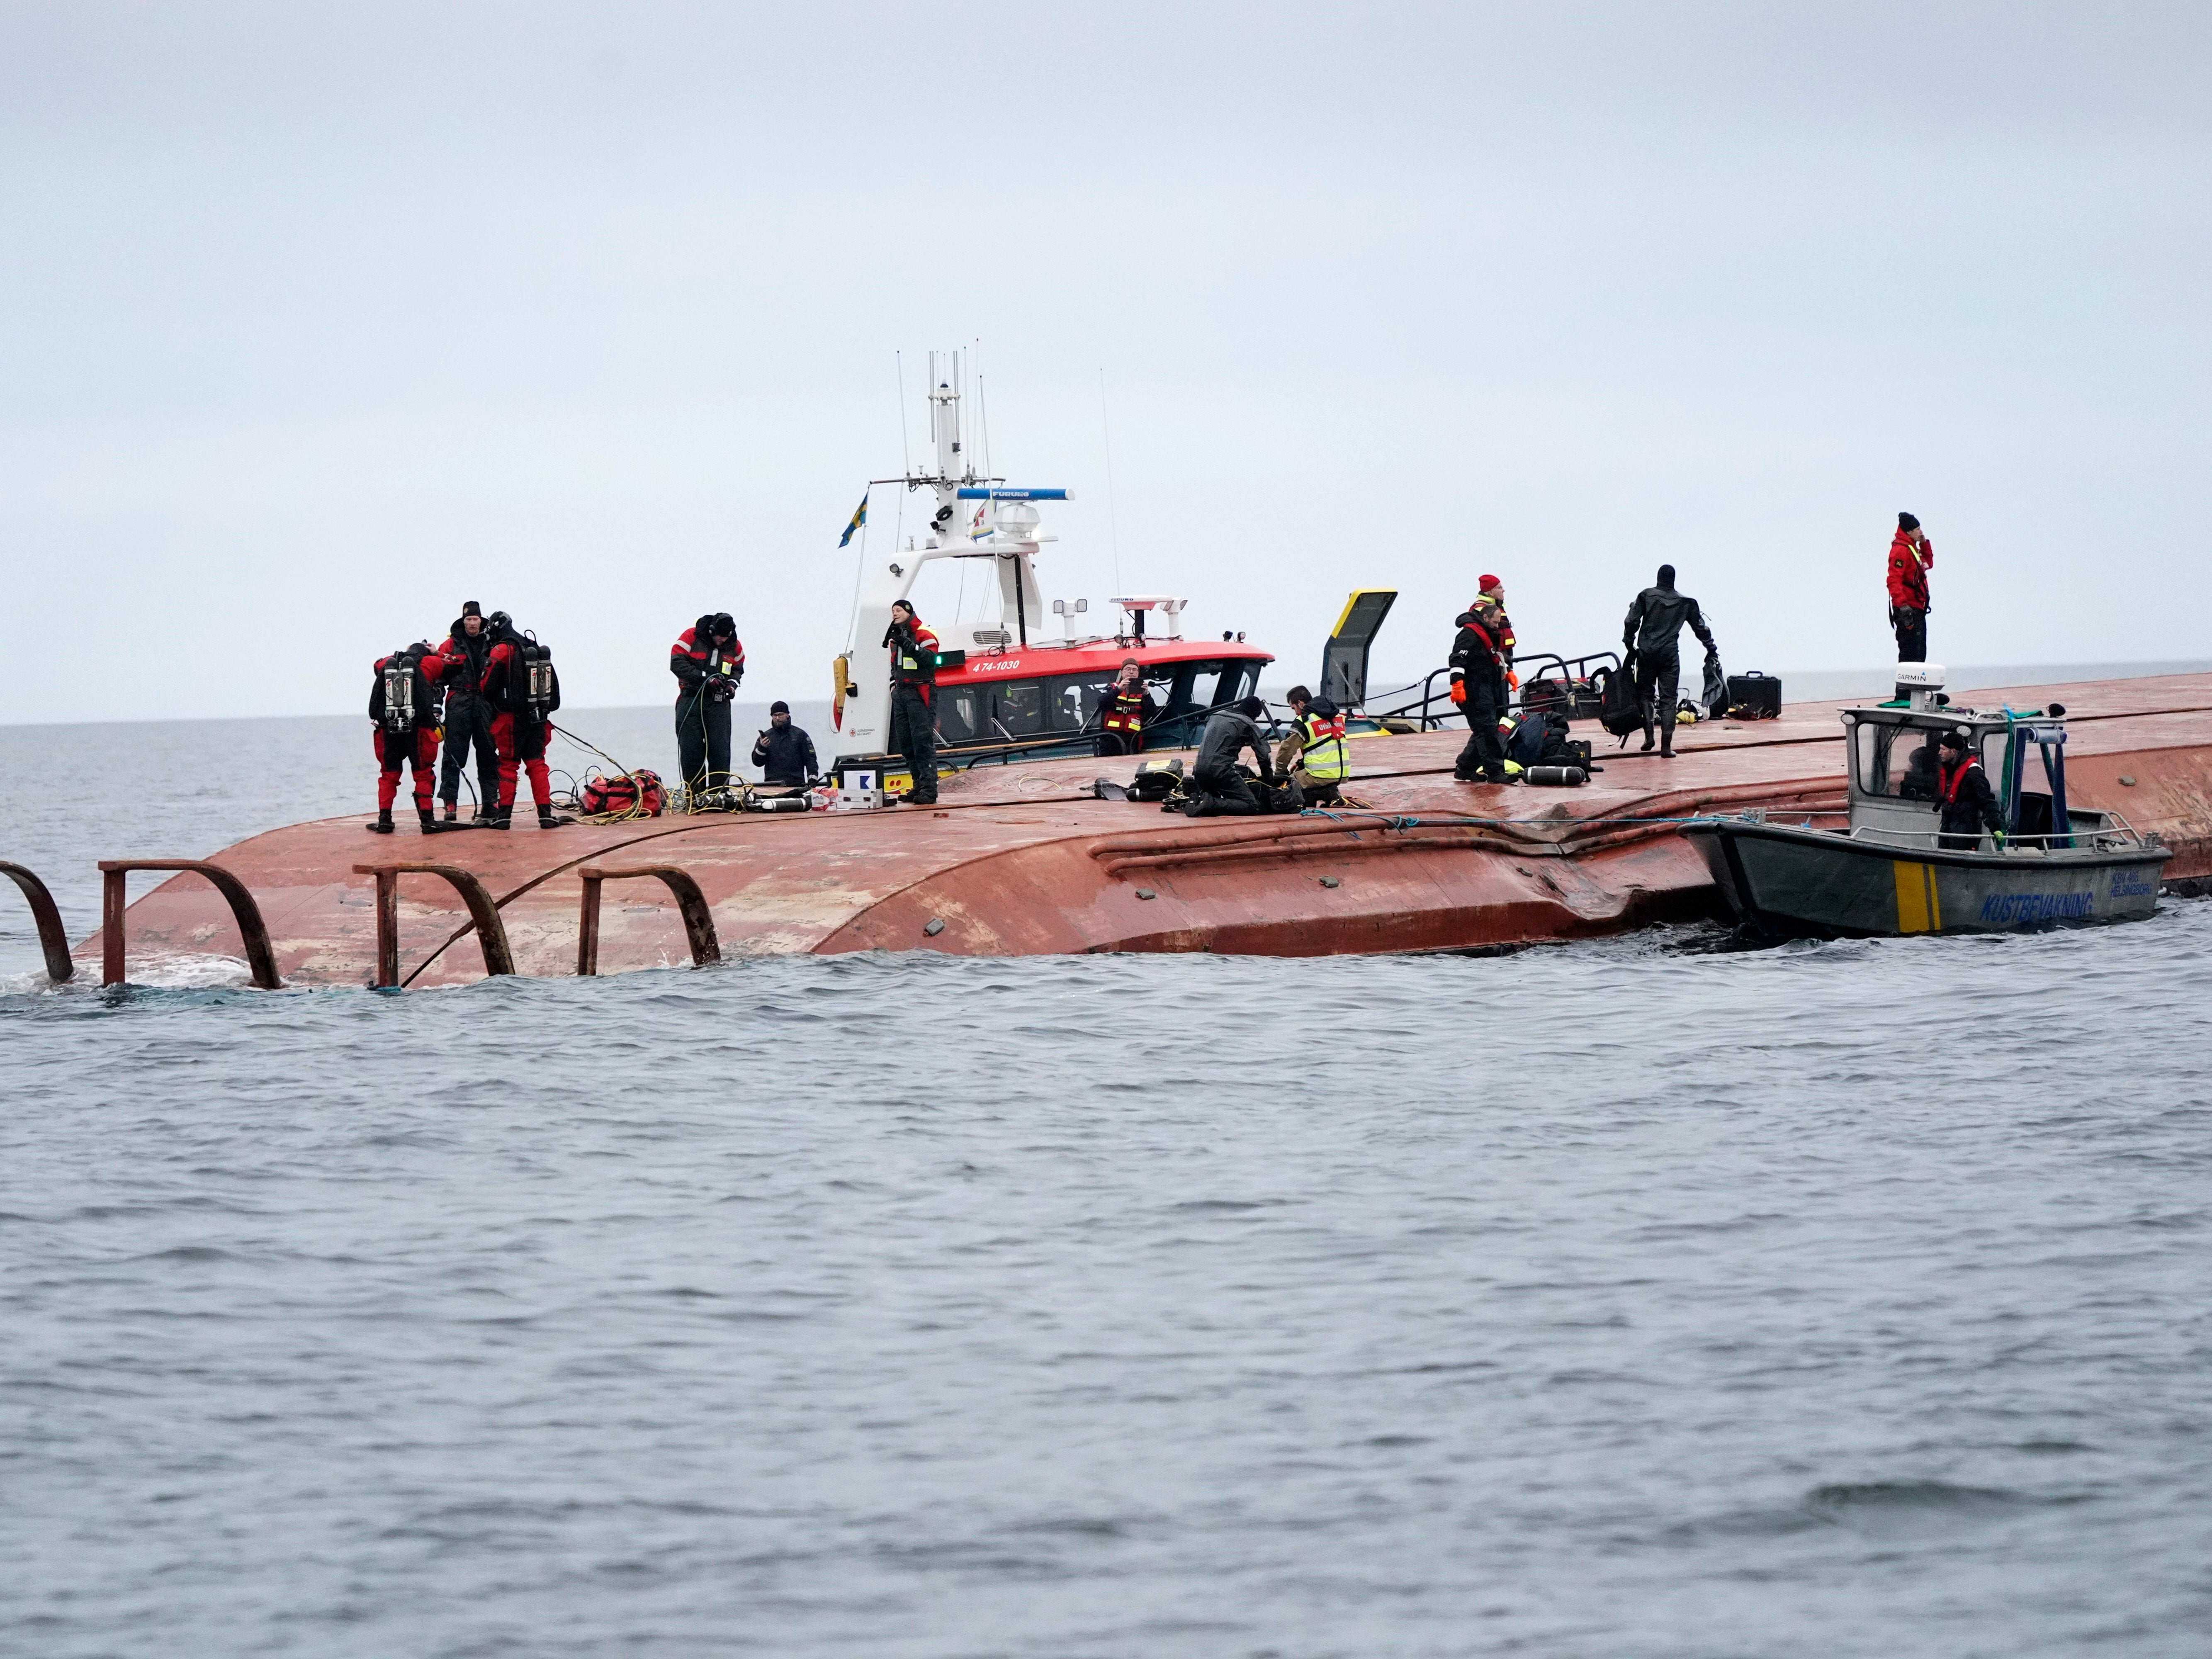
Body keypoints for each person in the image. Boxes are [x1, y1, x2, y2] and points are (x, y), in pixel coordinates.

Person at [480, 613, 571, 830]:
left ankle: (503, 817)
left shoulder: (502, 650)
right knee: (537, 764)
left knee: (508, 766)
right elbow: (555, 695)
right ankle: (546, 814)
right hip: (538, 718)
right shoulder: (534, 647)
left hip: (510, 720)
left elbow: (486, 687)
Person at [1621, 564, 1718, 758]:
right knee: (1669, 699)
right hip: (1669, 656)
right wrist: (1711, 648)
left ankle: (1649, 737)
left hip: (1647, 653)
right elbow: (1701, 629)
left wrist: (1629, 642)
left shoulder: (1646, 596)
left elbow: (1631, 621)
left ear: (1658, 578)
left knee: (1645, 694)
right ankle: (1666, 747)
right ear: (1674, 580)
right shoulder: (1686, 603)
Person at [366, 642, 450, 835]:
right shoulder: (429, 663)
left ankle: (385, 819)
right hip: (418, 731)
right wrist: (436, 652)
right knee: (423, 773)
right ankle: (427, 820)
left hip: (389, 730)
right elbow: (449, 664)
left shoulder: (388, 663)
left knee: (389, 775)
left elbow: (376, 666)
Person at [435, 600, 499, 824]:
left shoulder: (493, 643)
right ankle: (450, 805)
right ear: (463, 622)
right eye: (469, 620)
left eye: (476, 619)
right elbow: (437, 679)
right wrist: (435, 708)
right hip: (458, 703)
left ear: (482, 621)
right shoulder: (449, 646)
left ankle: (491, 803)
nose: (472, 624)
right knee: (453, 756)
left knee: (489, 755)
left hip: (485, 704)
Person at [671, 612, 744, 798]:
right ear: (712, 631)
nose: (722, 641)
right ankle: (694, 796)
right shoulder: (690, 637)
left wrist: (732, 685)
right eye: (720, 637)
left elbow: (737, 669)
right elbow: (677, 663)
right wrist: (705, 679)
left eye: (726, 637)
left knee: (720, 750)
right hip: (691, 699)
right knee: (691, 750)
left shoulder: (734, 646)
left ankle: (719, 796)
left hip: (718, 704)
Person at [885, 600, 941, 805]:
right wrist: (893, 687)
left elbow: (931, 660)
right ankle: (918, 785)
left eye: (898, 610)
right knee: (907, 744)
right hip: (901, 693)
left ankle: (928, 790)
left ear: (909, 612)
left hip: (920, 692)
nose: (895, 614)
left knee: (922, 742)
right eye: (893, 611)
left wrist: (909, 645)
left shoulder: (924, 634)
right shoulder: (895, 639)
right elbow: (894, 666)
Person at [1450, 599, 1512, 785]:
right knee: (1486, 731)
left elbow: (1494, 657)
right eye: (1495, 622)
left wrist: (1508, 672)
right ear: (1485, 618)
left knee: (1485, 728)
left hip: (1486, 688)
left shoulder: (1488, 633)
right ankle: (1495, 772)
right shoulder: (1469, 635)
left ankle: (1465, 768)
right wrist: (1457, 685)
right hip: (1473, 690)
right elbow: (1456, 660)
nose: (1497, 626)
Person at [1191, 694, 1276, 813]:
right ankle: (1211, 803)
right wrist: (1269, 782)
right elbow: (1264, 757)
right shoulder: (1247, 723)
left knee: (1214, 798)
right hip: (1220, 772)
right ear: (1254, 714)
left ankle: (1203, 800)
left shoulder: (1215, 716)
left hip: (1199, 771)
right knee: (1252, 805)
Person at [1936, 727, 2005, 850]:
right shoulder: (1949, 769)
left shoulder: (1974, 773)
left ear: (1953, 751)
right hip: (1948, 826)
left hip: (1966, 830)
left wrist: (1996, 828)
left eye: (1943, 749)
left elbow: (1987, 800)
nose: (1939, 753)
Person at [1284, 694, 1349, 804]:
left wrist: (1280, 774)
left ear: (1300, 703)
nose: (1295, 713)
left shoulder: (1305, 721)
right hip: (1342, 774)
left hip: (1321, 775)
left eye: (1294, 708)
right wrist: (1301, 763)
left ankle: (1310, 802)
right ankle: (1330, 793)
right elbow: (1321, 747)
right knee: (1304, 774)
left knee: (1289, 783)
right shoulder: (1337, 717)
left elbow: (1286, 751)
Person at [1888, 512, 1934, 663]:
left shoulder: (1912, 548)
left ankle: (1916, 687)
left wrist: (1924, 544)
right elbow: (1894, 580)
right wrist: (1903, 607)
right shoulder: (1901, 550)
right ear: (1909, 532)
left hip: (1917, 607)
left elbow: (1927, 564)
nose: (1921, 532)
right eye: (1917, 529)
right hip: (1907, 609)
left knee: (1920, 652)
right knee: (1910, 653)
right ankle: (1905, 687)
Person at [751, 701, 820, 788]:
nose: (778, 718)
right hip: (772, 786)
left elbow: (811, 760)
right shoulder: (765, 738)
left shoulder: (800, 735)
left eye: (781, 715)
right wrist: (762, 748)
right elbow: (757, 763)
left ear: (787, 715)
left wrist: (812, 780)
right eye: (775, 715)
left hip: (796, 785)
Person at [1097, 659, 1156, 757]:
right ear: (1122, 672)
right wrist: (1119, 689)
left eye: (1135, 670)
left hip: (1132, 740)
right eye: (1128, 669)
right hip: (1110, 739)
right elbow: (1102, 703)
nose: (1131, 672)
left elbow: (1152, 713)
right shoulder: (1112, 688)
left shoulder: (1143, 694)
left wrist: (1147, 695)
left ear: (1138, 673)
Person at [1476, 573, 1518, 692]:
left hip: (1504, 658)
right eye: (1499, 588)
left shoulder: (1497, 607)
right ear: (1490, 592)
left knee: (1504, 697)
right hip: (1494, 661)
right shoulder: (1481, 610)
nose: (1503, 590)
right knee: (1499, 698)